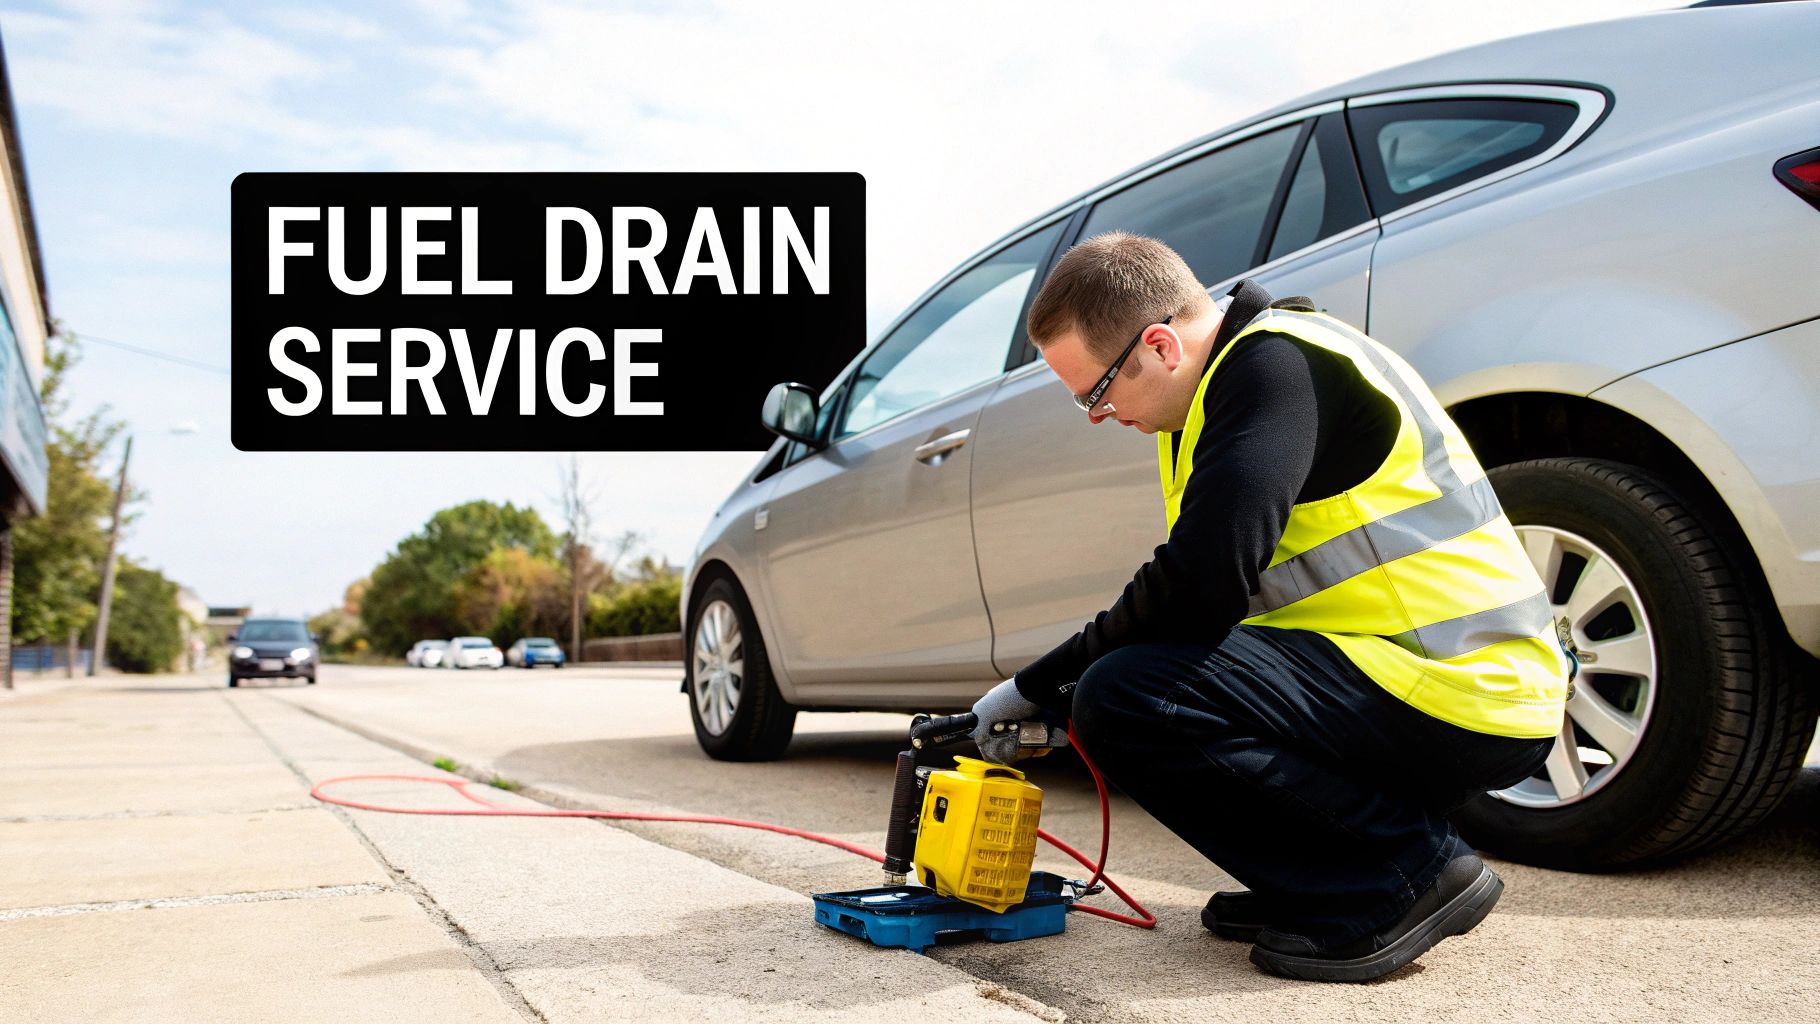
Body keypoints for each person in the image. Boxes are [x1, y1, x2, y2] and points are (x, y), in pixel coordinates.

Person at [968, 231, 1570, 983]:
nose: (1097, 414)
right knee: (1143, 679)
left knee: (1126, 696)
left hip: (1459, 687)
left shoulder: (1274, 369)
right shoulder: (1220, 393)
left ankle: (1398, 878)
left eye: (1096, 391)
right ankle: (1317, 877)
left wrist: (1038, 686)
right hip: (1410, 679)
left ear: (1158, 345)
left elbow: (1198, 587)